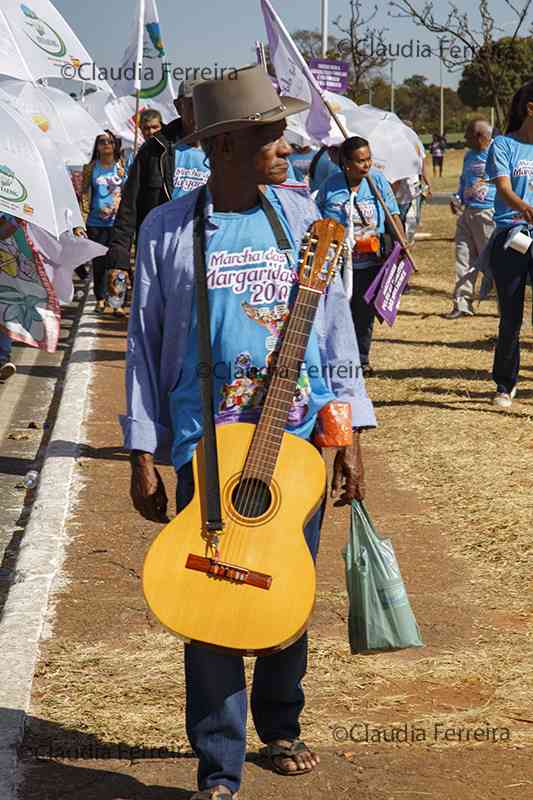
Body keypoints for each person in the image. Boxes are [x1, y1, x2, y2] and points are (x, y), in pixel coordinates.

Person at [123, 65, 376, 800]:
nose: (287, 148)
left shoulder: (303, 222)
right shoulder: (168, 228)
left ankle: (280, 720)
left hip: (293, 443)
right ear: (225, 145)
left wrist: (349, 437)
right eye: (269, 136)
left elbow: (334, 340)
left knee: (284, 588)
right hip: (205, 442)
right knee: (209, 600)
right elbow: (143, 343)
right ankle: (217, 761)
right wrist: (141, 449)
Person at [317, 136, 403, 376]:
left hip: (370, 263)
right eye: (360, 161)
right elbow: (318, 218)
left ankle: (361, 360)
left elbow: (393, 215)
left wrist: (401, 244)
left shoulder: (377, 182)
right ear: (346, 163)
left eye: (369, 159)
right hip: (337, 264)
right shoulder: (330, 185)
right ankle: (338, 359)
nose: (367, 165)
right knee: (337, 312)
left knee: (364, 314)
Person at [107, 79, 209, 272]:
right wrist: (119, 259)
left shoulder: (223, 149)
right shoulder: (155, 150)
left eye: (205, 103)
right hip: (160, 252)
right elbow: (130, 206)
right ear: (179, 107)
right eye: (192, 104)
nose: (199, 110)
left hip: (206, 252)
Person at [485, 80, 533, 408]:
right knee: (511, 315)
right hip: (513, 235)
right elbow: (503, 188)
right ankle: (505, 383)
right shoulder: (503, 144)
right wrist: (527, 209)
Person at [445, 119, 496, 319]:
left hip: (489, 213)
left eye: (468, 136)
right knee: (463, 258)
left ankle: (506, 306)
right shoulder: (469, 156)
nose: (465, 139)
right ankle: (462, 303)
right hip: (468, 213)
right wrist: (458, 197)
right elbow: (464, 180)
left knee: (494, 263)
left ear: (480, 137)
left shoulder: (498, 153)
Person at [81, 130, 128, 313]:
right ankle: (100, 299)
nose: (106, 144)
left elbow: (129, 192)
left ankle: (117, 302)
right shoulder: (90, 168)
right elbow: (85, 195)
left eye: (110, 141)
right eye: (102, 141)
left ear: (116, 144)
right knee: (99, 264)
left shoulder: (123, 165)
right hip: (95, 223)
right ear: (97, 146)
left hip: (119, 223)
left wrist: (117, 207)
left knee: (118, 264)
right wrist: (81, 221)